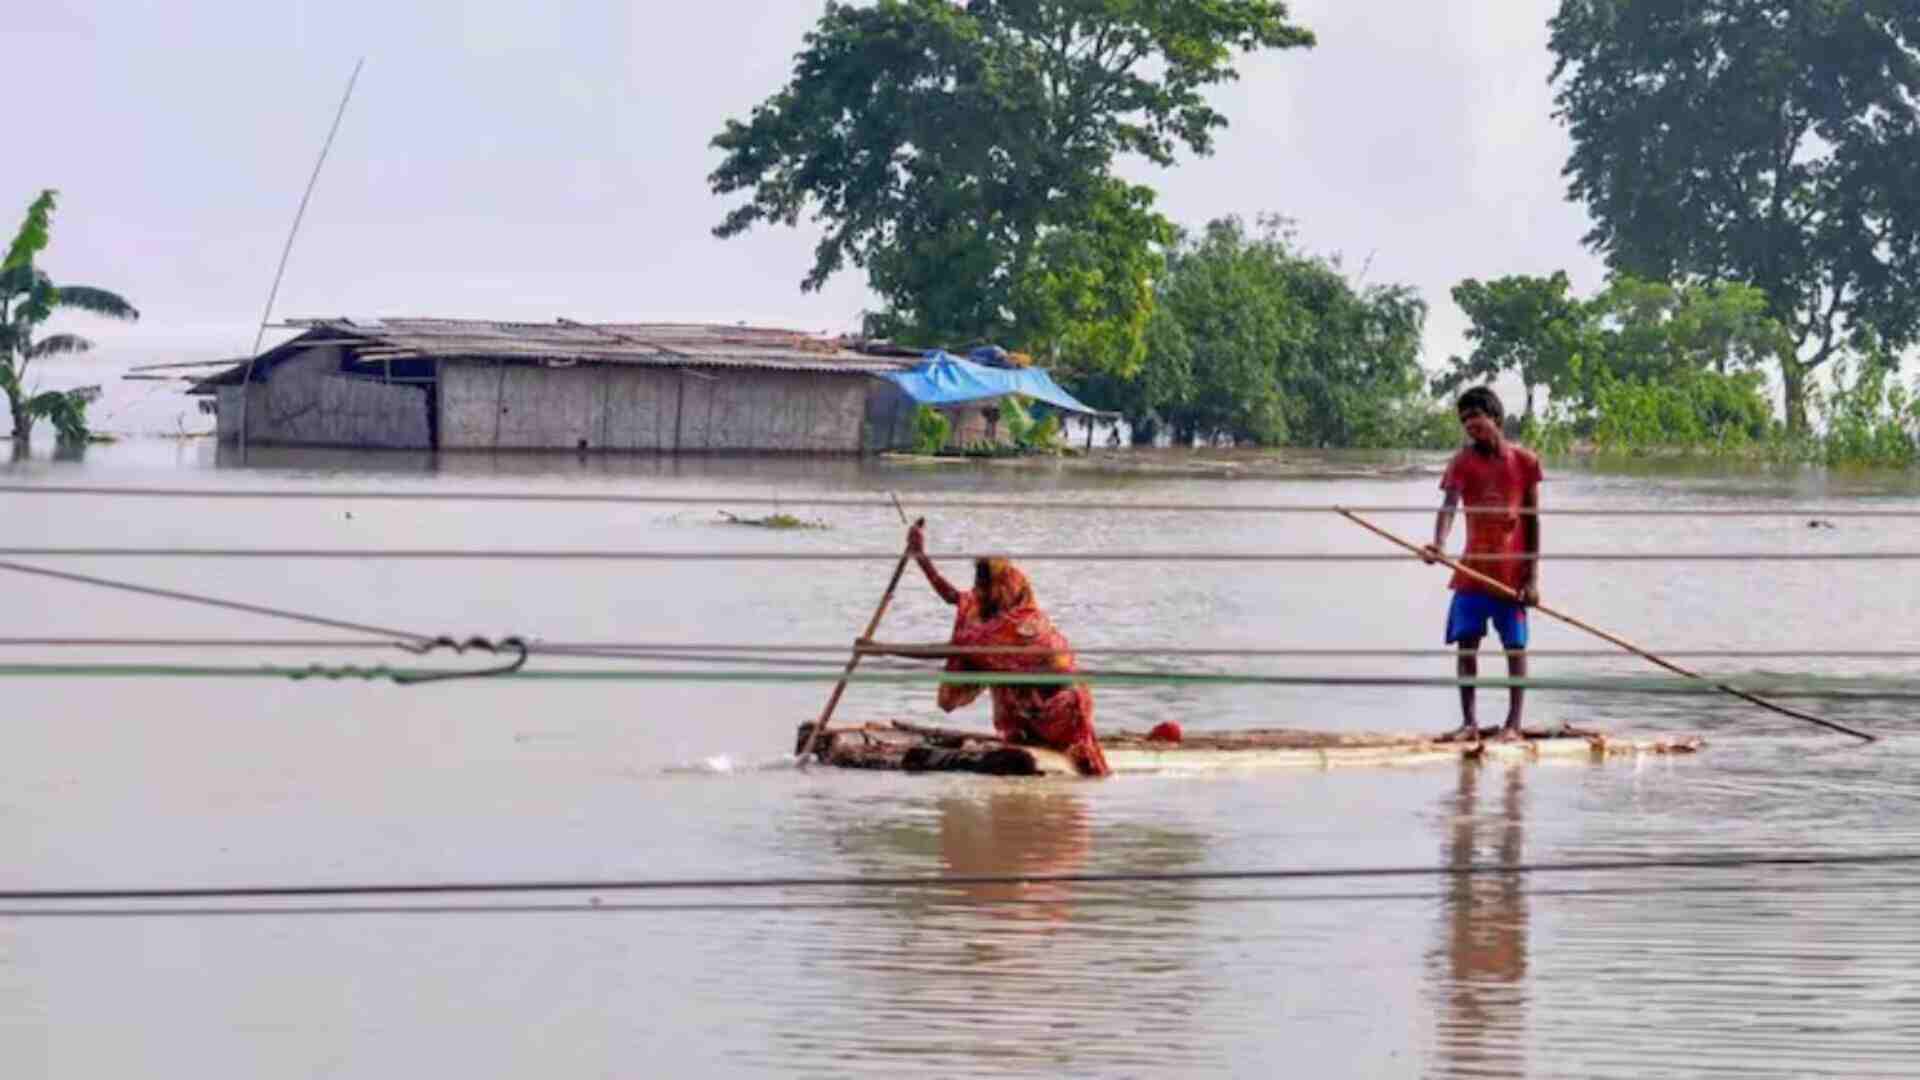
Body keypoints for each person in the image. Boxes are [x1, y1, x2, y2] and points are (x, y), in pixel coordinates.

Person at [878, 523, 1111, 776]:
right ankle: (1028, 737)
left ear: (1004, 590)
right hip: (1032, 711)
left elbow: (953, 649)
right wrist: (921, 557)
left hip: (1062, 713)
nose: (979, 595)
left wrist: (881, 649)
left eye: (986, 588)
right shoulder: (992, 617)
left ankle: (1048, 745)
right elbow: (954, 597)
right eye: (980, 587)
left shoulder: (1022, 626)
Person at [1421, 387, 1543, 742]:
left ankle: (1513, 725)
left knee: (1515, 648)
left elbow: (1533, 521)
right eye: (1465, 423)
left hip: (1511, 575)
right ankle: (1469, 723)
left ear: (1496, 419)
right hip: (1473, 571)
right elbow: (1449, 505)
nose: (1470, 429)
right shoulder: (1462, 462)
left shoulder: (1525, 462)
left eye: (1476, 421)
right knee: (1466, 645)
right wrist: (1439, 544)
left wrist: (1532, 578)